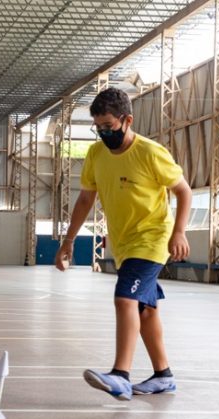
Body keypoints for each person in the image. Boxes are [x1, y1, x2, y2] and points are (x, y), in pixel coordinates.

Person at [54, 87, 192, 401]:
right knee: (144, 310)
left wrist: (179, 232)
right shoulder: (96, 155)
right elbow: (86, 198)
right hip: (125, 243)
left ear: (127, 120)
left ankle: (121, 375)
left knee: (124, 300)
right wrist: (69, 240)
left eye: (109, 127)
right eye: (98, 128)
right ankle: (163, 375)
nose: (104, 134)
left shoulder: (150, 152)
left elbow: (183, 191)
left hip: (152, 238)